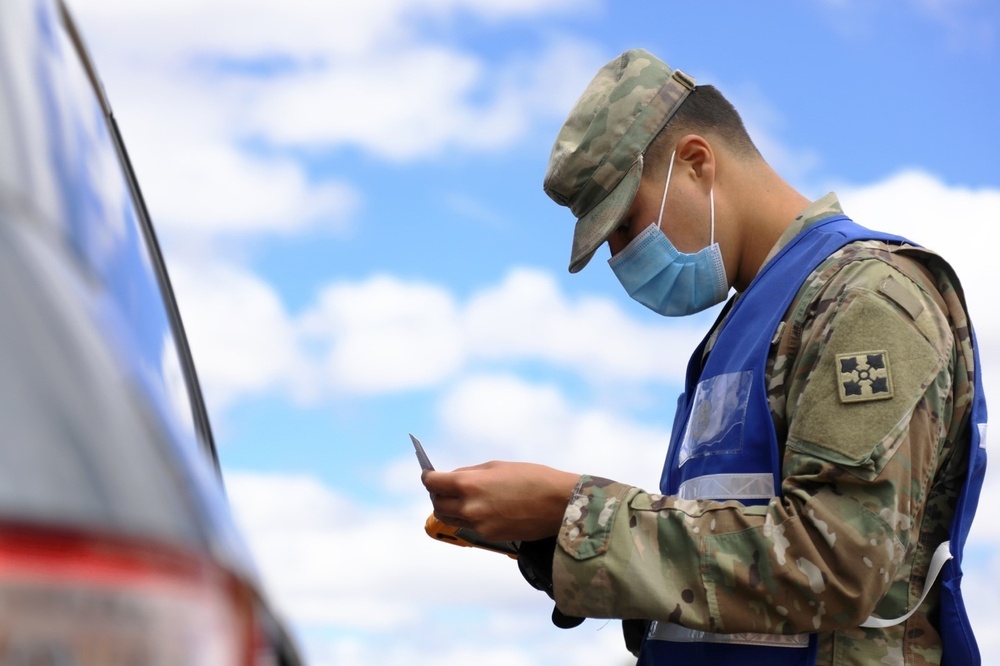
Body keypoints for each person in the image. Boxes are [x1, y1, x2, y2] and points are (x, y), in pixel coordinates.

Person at [421, 49, 987, 665]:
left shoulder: (868, 299)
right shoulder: (742, 331)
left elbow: (839, 563)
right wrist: (554, 540)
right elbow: (727, 590)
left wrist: (574, 507)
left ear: (696, 162)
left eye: (625, 223)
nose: (622, 256)